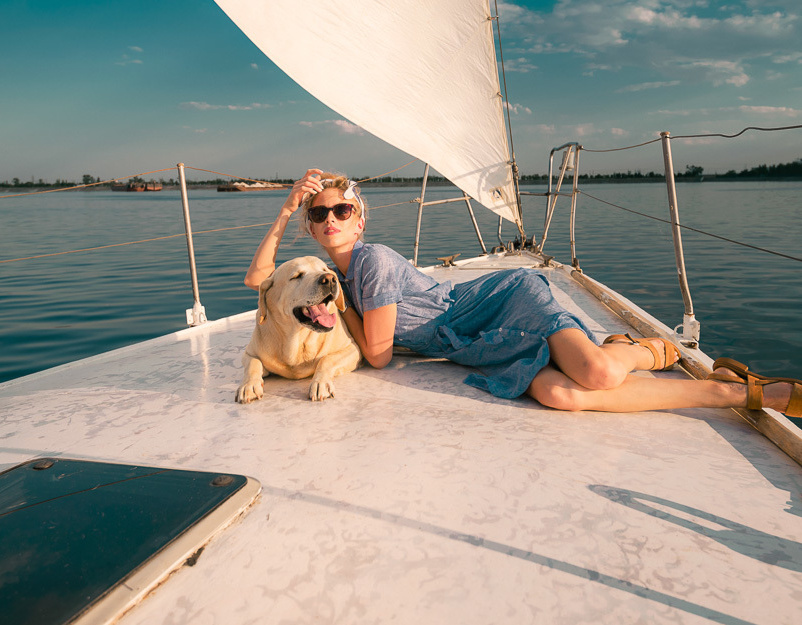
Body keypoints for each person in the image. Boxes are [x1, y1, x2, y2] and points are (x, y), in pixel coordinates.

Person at [245, 168, 802, 416]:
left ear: (360, 219)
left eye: (343, 210)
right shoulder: (330, 279)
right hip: (470, 343)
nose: (331, 218)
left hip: (500, 302)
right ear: (311, 228)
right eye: (319, 214)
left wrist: (336, 317)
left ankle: (713, 381)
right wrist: (286, 209)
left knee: (597, 375)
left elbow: (379, 356)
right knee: (563, 397)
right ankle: (678, 372)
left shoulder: (370, 262)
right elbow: (259, 282)